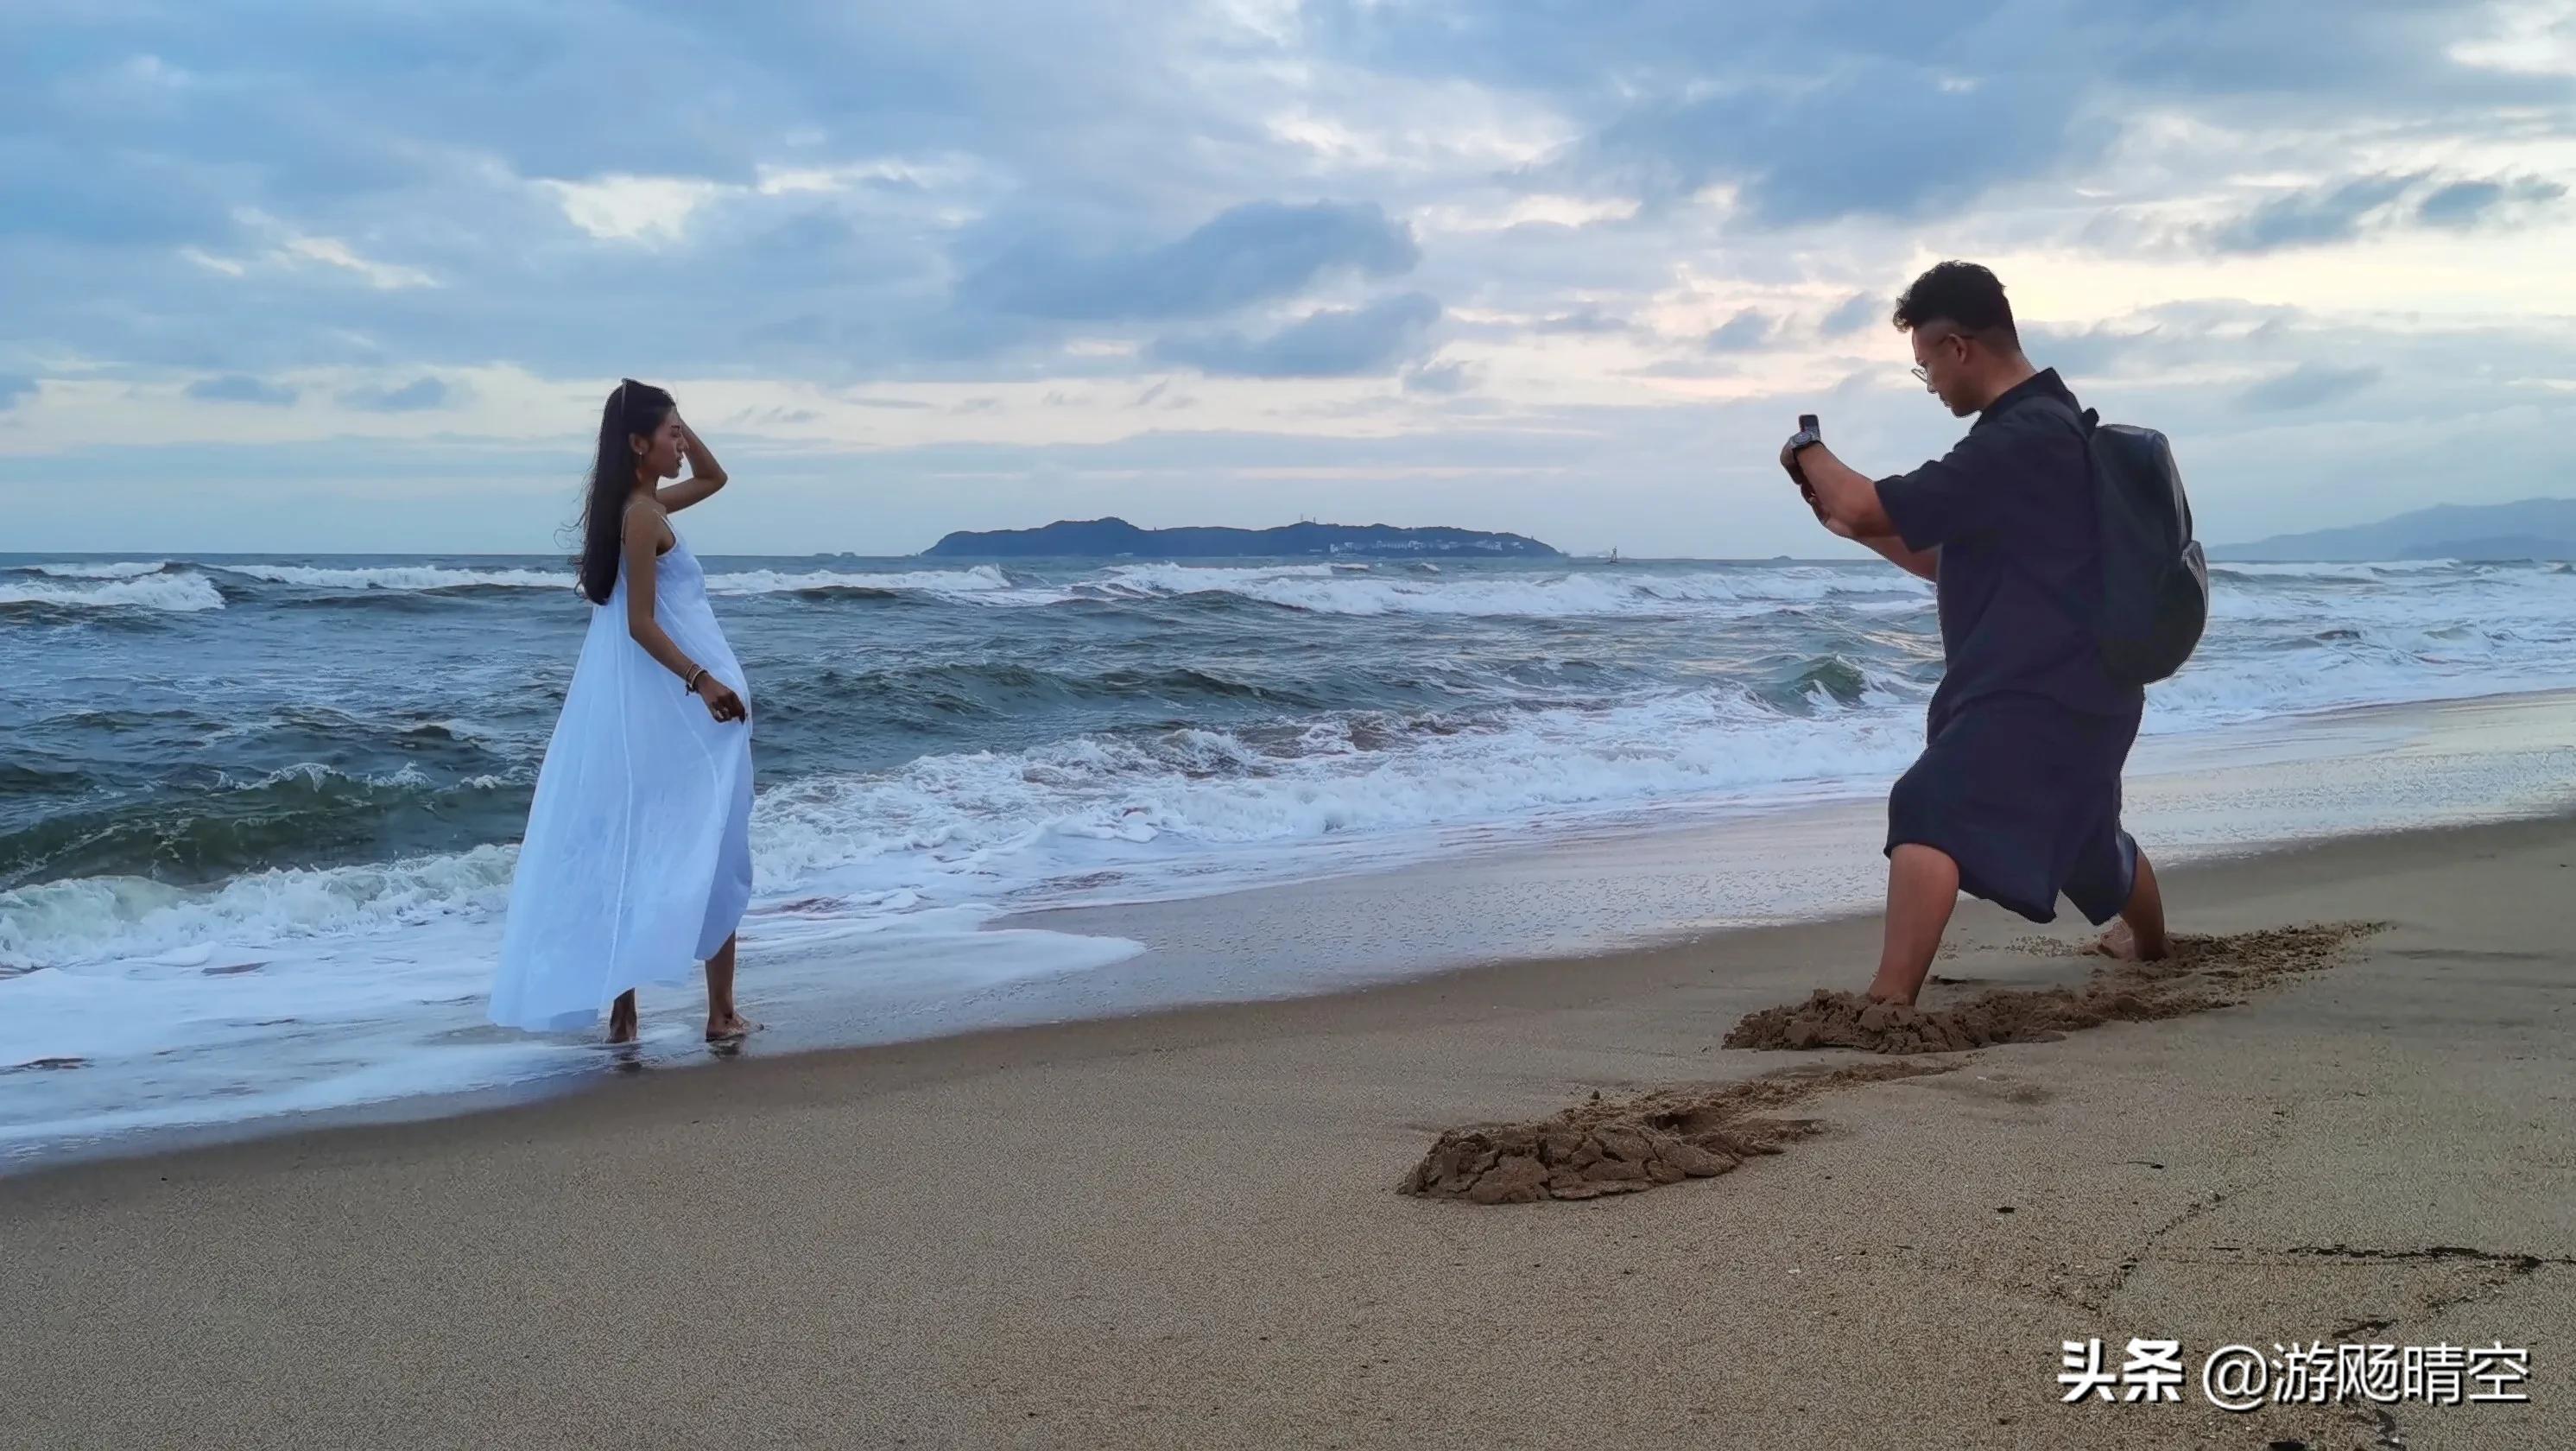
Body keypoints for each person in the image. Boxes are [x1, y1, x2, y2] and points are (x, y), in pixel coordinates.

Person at [1780, 261, 2169, 1006]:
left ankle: (1888, 1002)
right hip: (2090, 687)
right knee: (2088, 840)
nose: (1932, 385)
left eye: (1927, 367)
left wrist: (1806, 451)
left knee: (1928, 805)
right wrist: (1854, 526)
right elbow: (1942, 562)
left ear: (1959, 347)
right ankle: (2149, 946)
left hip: (2034, 688)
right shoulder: (2058, 429)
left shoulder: (2019, 439)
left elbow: (1866, 503)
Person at [491, 378, 759, 1045]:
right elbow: (640, 624)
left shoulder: (649, 507)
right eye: (669, 434)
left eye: (679, 433)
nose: (679, 444)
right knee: (709, 843)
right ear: (638, 444)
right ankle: (713, 1013)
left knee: (662, 840)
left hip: (692, 711)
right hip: (690, 707)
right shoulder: (641, 517)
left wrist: (671, 418)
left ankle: (633, 1012)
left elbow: (716, 476)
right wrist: (702, 681)